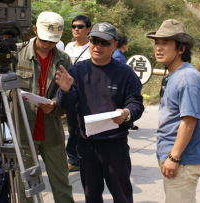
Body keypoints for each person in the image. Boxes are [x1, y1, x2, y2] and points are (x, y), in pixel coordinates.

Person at [56, 22, 144, 203]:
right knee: (92, 196)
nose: (98, 46)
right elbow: (66, 105)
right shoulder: (77, 71)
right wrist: (65, 91)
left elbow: (136, 103)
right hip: (86, 145)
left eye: (104, 42)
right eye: (94, 41)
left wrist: (126, 113)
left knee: (122, 195)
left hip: (115, 145)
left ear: (114, 44)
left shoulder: (125, 73)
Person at [146, 19, 200, 203]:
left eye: (165, 43)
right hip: (174, 157)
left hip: (182, 161)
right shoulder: (174, 73)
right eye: (157, 42)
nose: (158, 47)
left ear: (181, 49)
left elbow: (189, 121)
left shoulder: (187, 77)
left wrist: (174, 157)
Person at [14, 11, 74, 203]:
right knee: (27, 189)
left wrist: (57, 104)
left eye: (53, 41)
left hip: (52, 133)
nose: (48, 45)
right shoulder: (16, 54)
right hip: (24, 133)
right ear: (34, 30)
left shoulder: (64, 60)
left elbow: (70, 96)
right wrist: (15, 96)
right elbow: (2, 89)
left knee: (62, 185)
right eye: (44, 40)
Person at [64, 15, 91, 172]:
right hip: (70, 94)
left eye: (80, 27)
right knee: (73, 128)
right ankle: (73, 159)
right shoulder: (68, 47)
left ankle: (88, 157)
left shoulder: (92, 47)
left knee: (86, 128)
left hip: (87, 95)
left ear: (87, 29)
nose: (76, 29)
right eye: (74, 26)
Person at [112, 36, 139, 131]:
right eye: (127, 44)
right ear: (123, 45)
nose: (128, 46)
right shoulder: (118, 56)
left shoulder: (118, 54)